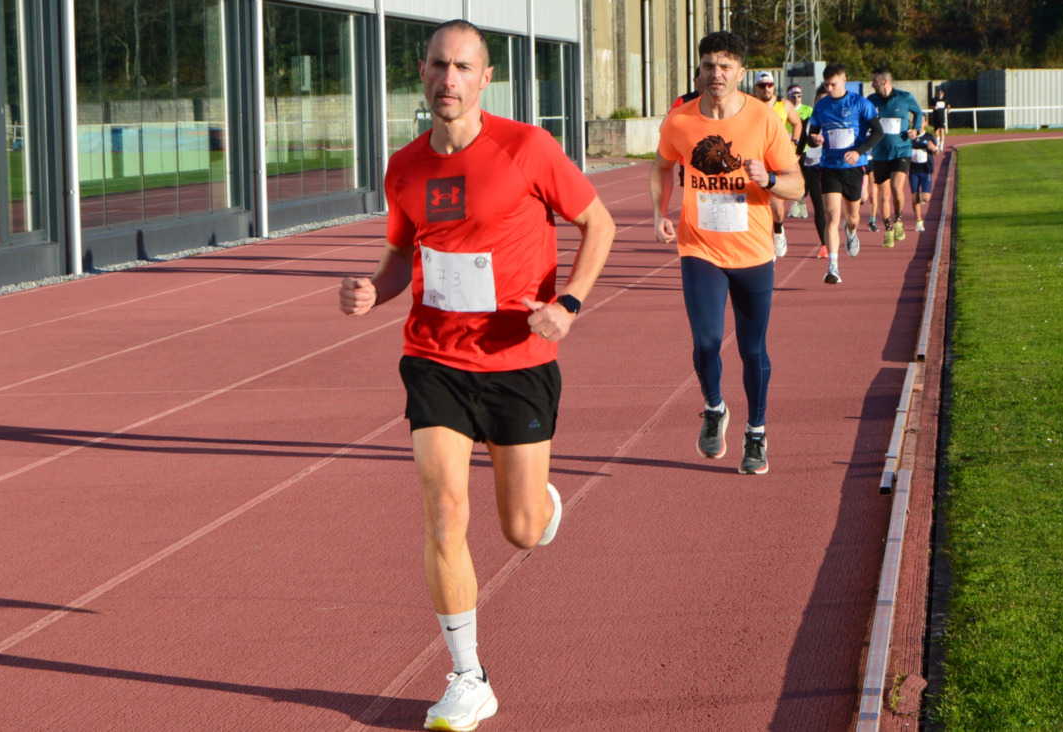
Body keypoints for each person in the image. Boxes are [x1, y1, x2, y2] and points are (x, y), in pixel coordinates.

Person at [337, 19, 615, 732]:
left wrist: (570, 305)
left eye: (463, 67)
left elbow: (600, 225)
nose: (448, 79)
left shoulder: (527, 147)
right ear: (421, 72)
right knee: (443, 510)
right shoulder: (404, 167)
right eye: (438, 66)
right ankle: (468, 676)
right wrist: (374, 288)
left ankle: (542, 507)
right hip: (434, 357)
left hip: (519, 360)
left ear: (486, 78)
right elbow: (402, 255)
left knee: (520, 529)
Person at [650, 30, 803, 475]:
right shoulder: (679, 121)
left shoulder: (763, 120)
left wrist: (770, 180)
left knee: (752, 349)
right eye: (708, 65)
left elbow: (797, 183)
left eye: (725, 66)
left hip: (754, 252)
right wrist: (659, 210)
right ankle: (715, 407)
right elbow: (661, 165)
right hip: (700, 248)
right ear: (698, 70)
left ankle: (756, 432)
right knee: (706, 342)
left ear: (740, 72)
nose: (715, 74)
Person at [807, 62, 884, 284]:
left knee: (852, 218)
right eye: (826, 85)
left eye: (833, 84)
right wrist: (816, 139)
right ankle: (833, 266)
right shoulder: (821, 107)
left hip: (853, 167)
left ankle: (851, 232)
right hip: (829, 167)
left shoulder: (860, 103)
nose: (829, 89)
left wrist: (858, 151)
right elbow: (812, 138)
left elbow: (878, 132)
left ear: (843, 80)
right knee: (832, 216)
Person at [867, 67, 924, 247]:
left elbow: (919, 113)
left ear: (884, 81)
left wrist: (916, 129)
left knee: (896, 187)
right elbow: (862, 118)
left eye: (874, 80)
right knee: (884, 197)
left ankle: (898, 219)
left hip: (902, 150)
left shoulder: (905, 97)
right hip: (880, 153)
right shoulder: (871, 100)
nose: (871, 84)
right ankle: (889, 229)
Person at [752, 71, 802, 257]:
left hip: (776, 159)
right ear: (755, 88)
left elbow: (797, 124)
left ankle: (779, 231)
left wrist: (794, 143)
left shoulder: (784, 105)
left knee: (775, 203)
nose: (766, 89)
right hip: (757, 158)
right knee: (756, 204)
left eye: (769, 85)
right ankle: (764, 243)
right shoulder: (749, 105)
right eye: (762, 86)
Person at [797, 85, 829, 258]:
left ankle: (849, 227)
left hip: (833, 168)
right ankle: (825, 244)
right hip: (812, 167)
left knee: (834, 207)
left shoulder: (836, 122)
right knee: (819, 207)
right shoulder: (807, 122)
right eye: (820, 100)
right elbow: (800, 146)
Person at [785, 84, 813, 219]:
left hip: (805, 150)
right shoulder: (785, 110)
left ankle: (803, 201)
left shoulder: (808, 110)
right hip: (789, 149)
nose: (797, 98)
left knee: (805, 177)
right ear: (788, 96)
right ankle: (794, 203)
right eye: (793, 96)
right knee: (793, 176)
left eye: (799, 96)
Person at [908, 134, 939, 231]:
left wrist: (934, 148)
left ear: (925, 123)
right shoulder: (910, 135)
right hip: (914, 171)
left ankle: (920, 200)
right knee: (915, 197)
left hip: (926, 171)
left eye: (922, 121)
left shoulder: (929, 137)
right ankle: (919, 221)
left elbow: (937, 152)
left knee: (925, 197)